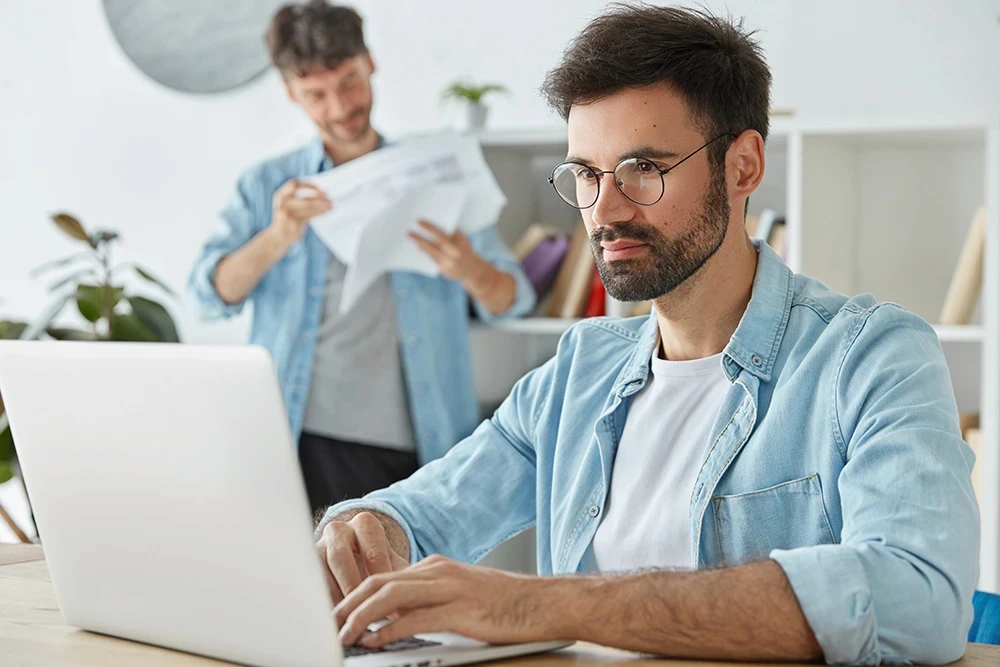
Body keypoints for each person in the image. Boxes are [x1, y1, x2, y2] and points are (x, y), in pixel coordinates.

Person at [312, 5, 980, 664]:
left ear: (743, 166)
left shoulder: (873, 356)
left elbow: (922, 598)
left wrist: (544, 605)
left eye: (644, 169)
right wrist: (362, 531)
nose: (605, 210)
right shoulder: (579, 369)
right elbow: (422, 512)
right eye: (587, 174)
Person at [187, 1, 535, 515]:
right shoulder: (266, 185)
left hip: (418, 443)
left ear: (370, 62)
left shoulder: (434, 173)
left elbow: (514, 299)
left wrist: (468, 268)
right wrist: (278, 236)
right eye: (316, 95)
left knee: (401, 592)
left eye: (349, 81)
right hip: (293, 436)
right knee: (297, 590)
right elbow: (207, 296)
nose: (338, 107)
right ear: (290, 93)